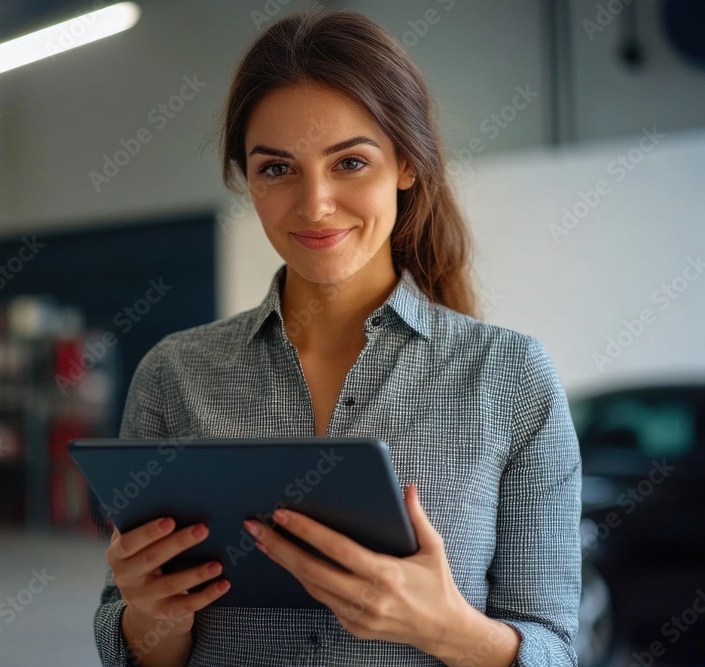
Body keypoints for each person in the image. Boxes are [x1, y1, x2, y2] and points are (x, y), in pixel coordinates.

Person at [92, 6, 581, 666]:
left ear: (406, 163)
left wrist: (446, 628)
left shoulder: (512, 376)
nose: (315, 204)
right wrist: (153, 617)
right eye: (277, 168)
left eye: (350, 162)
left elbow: (555, 646)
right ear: (246, 179)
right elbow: (130, 642)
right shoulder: (173, 374)